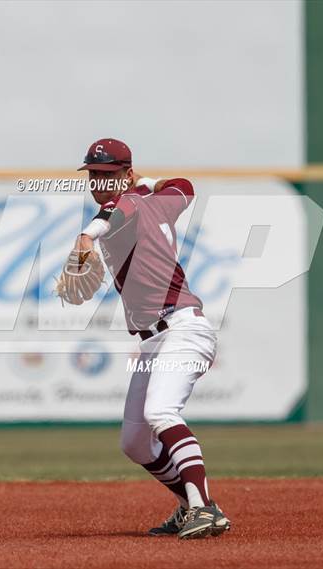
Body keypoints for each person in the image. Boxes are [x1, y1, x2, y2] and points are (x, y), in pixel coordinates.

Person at [74, 138, 231, 539]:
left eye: (109, 174)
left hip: (182, 327)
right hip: (153, 339)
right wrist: (146, 180)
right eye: (95, 174)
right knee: (135, 443)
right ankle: (196, 505)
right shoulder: (160, 201)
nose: (100, 182)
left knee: (162, 413)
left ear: (125, 176)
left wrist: (89, 237)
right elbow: (184, 185)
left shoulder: (124, 206)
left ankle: (202, 509)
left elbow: (114, 210)